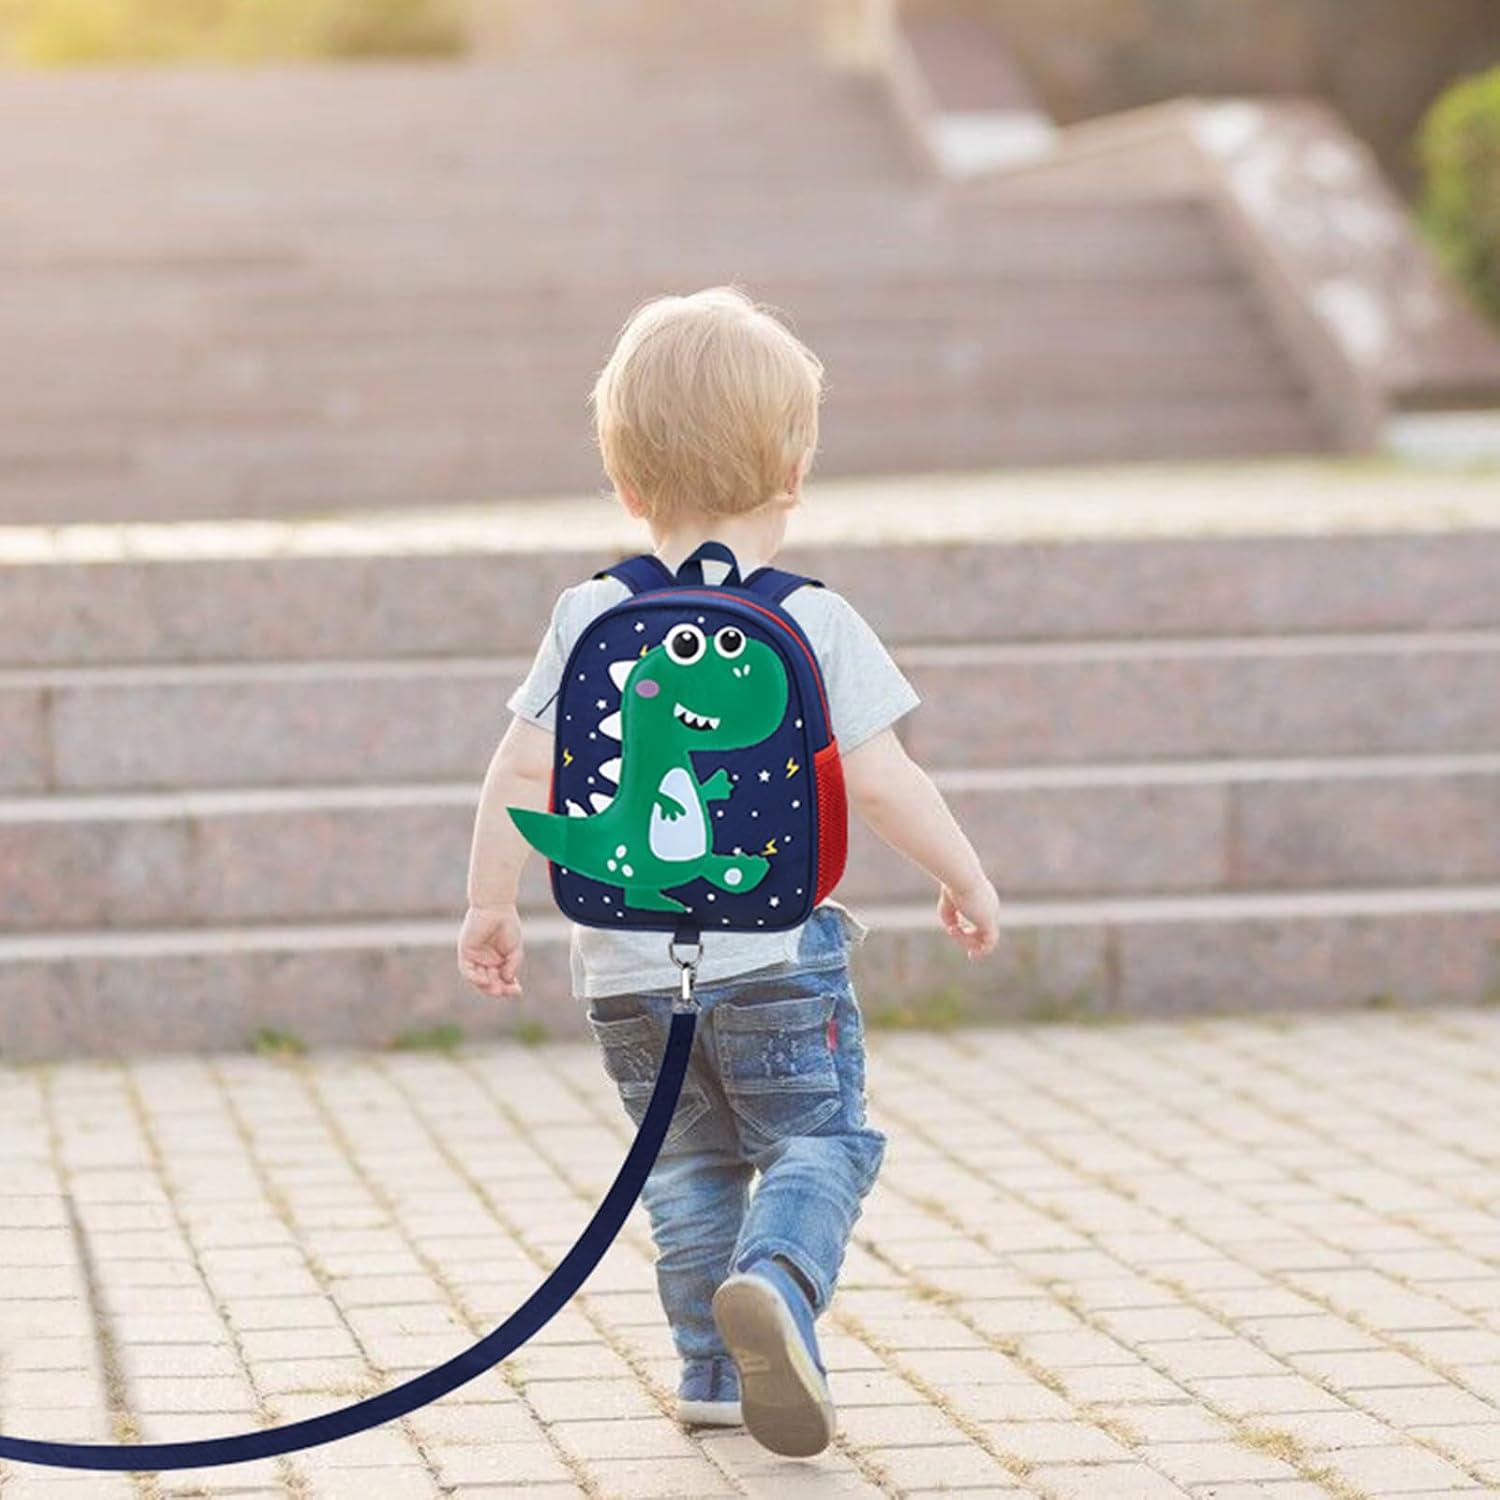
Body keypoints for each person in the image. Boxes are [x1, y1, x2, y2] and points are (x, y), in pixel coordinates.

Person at [459, 287, 999, 1458]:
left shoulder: (588, 612)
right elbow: (884, 778)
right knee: (821, 1141)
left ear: (627, 483)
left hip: (624, 974)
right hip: (774, 961)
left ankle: (711, 1369)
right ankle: (780, 1283)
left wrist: (490, 901)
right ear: (794, 473)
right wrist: (966, 877)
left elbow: (523, 765)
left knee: (688, 1161)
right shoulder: (815, 619)